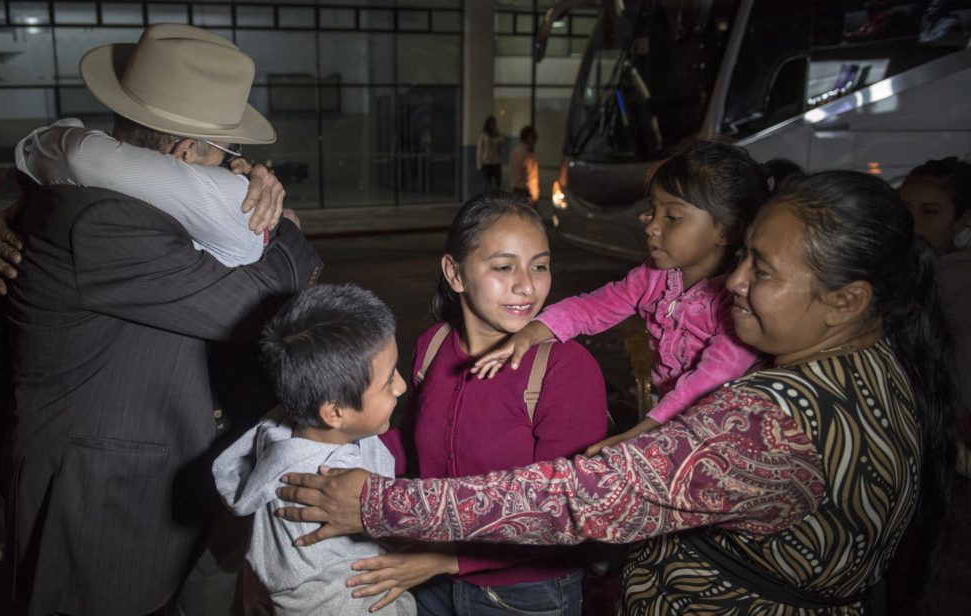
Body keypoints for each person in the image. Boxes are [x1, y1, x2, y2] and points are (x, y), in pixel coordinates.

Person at [277, 170, 957, 614]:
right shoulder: (878, 359)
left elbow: (572, 499)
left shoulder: (772, 422)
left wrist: (380, 506)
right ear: (455, 274)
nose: (735, 282)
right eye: (743, 255)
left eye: (762, 269)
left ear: (847, 300)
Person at [0, 24, 324, 616]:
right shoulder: (103, 222)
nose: (242, 169)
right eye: (230, 155)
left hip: (190, 478)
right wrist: (283, 227)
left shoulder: (145, 209)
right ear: (185, 154)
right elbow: (268, 300)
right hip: (107, 509)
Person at [347, 192, 607, 614]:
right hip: (432, 581)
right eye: (504, 267)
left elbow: (566, 514)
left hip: (524, 596)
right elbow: (409, 442)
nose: (527, 284)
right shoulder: (434, 346)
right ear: (455, 273)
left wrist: (445, 559)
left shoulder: (566, 369)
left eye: (540, 266)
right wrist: (331, 456)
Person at [477, 141, 789, 452]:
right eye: (653, 211)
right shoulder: (653, 276)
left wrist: (643, 431)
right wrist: (534, 331)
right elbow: (594, 307)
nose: (652, 226)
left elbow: (709, 381)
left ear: (726, 230)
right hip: (663, 416)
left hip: (721, 429)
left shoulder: (738, 301)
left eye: (672, 217)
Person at [212, 284, 415, 615]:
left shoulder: (289, 427)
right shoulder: (318, 488)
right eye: (389, 379)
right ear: (334, 413)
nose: (402, 386)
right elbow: (329, 598)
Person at [14, 116, 285, 267]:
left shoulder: (64, 170)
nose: (233, 161)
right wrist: (245, 180)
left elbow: (57, 145)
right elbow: (82, 154)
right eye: (229, 151)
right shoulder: (233, 202)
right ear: (185, 150)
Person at [899, 157, 971, 457]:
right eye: (904, 210)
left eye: (930, 212)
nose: (914, 223)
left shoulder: (961, 280)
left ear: (963, 219)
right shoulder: (892, 269)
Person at [508, 126, 539, 204]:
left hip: (520, 191)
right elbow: (530, 177)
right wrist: (533, 196)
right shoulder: (524, 154)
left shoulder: (518, 152)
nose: (534, 140)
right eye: (532, 137)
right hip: (524, 193)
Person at [476, 116, 504, 192]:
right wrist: (479, 164)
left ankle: (497, 196)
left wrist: (496, 133)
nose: (492, 125)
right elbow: (480, 149)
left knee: (498, 181)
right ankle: (487, 196)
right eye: (490, 123)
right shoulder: (483, 135)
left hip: (496, 161)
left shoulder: (498, 134)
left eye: (493, 123)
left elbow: (501, 143)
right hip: (486, 161)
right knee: (488, 181)